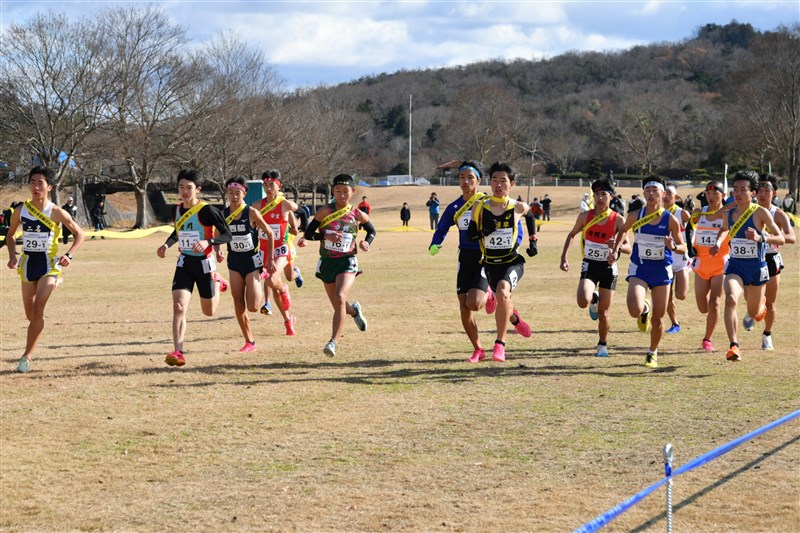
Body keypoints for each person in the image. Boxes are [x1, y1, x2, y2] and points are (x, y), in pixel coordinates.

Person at [5, 166, 84, 372]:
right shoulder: (21, 210)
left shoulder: (57, 212)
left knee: (39, 309)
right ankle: (32, 341)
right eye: (32, 182)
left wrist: (69, 254)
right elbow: (11, 236)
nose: (35, 187)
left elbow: (80, 234)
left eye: (40, 183)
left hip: (49, 265)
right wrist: (12, 255)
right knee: (31, 316)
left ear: (49, 187)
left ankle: (26, 357)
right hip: (28, 265)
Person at [156, 169, 232, 367]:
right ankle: (178, 351)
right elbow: (178, 231)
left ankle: (217, 282)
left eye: (189, 187)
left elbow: (227, 234)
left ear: (197, 189)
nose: (184, 191)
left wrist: (209, 242)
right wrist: (166, 244)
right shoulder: (178, 209)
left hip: (205, 264)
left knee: (209, 312)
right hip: (185, 262)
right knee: (179, 306)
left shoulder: (207, 210)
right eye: (181, 187)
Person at [609, 175, 686, 369]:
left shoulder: (670, 220)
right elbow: (623, 230)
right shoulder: (636, 215)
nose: (651, 194)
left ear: (663, 194)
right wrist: (616, 249)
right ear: (643, 193)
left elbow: (684, 247)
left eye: (655, 191)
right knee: (633, 309)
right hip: (640, 268)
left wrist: (674, 245)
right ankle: (644, 308)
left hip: (662, 270)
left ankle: (652, 352)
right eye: (648, 191)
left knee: (659, 318)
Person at [706, 170, 784, 362]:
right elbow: (724, 230)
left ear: (753, 193)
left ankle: (759, 309)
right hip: (735, 266)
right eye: (735, 189)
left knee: (754, 311)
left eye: (743, 189)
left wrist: (761, 237)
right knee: (731, 298)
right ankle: (734, 345)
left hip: (756, 268)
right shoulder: (729, 213)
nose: (738, 193)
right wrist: (718, 243)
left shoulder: (761, 212)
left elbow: (781, 238)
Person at [298, 173, 376, 357]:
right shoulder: (325, 211)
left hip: (347, 261)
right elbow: (308, 234)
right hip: (327, 262)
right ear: (333, 191)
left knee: (340, 297)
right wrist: (326, 236)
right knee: (338, 304)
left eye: (345, 191)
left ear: (353, 192)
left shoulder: (357, 213)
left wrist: (367, 242)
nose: (341, 194)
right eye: (338, 191)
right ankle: (354, 311)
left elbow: (372, 230)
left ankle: (333, 342)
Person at [429, 161, 497, 362]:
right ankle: (478, 349)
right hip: (464, 257)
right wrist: (435, 243)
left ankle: (489, 293)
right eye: (461, 177)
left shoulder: (487, 202)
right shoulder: (455, 206)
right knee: (464, 306)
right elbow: (442, 228)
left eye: (470, 177)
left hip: (485, 257)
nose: (465, 181)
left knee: (474, 304)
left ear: (478, 180)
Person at [467, 162, 533, 363]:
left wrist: (533, 240)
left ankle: (500, 345)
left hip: (512, 262)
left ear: (511, 184)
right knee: (504, 299)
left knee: (503, 291)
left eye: (502, 181)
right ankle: (515, 319)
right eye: (494, 180)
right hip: (490, 265)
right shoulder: (480, 207)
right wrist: (483, 232)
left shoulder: (517, 206)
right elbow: (470, 235)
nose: (497, 185)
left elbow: (529, 215)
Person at [560, 178, 630, 357]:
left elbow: (629, 248)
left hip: (609, 268)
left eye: (603, 194)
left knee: (604, 313)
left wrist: (617, 246)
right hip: (590, 265)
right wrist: (564, 258)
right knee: (582, 300)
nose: (599, 198)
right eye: (596, 194)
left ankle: (602, 344)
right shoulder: (585, 216)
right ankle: (593, 299)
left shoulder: (618, 220)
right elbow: (572, 235)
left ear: (611, 197)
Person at [215, 177, 277, 353]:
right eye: (230, 193)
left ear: (244, 193)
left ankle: (261, 275)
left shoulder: (251, 213)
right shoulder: (223, 214)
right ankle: (249, 341)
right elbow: (217, 235)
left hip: (252, 262)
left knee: (253, 307)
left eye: (237, 193)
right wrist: (218, 249)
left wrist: (270, 259)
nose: (233, 197)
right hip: (234, 262)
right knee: (238, 302)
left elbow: (270, 233)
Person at [751, 174, 795, 350]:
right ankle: (754, 311)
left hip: (770, 259)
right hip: (750, 258)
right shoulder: (748, 210)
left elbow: (791, 237)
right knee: (751, 299)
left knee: (770, 302)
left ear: (774, 193)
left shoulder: (778, 214)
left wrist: (767, 237)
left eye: (766, 191)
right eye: (759, 191)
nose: (763, 194)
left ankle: (767, 335)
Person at [688, 181, 730, 352]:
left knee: (714, 303)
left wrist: (718, 243)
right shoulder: (699, 212)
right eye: (708, 194)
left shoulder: (726, 213)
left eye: (715, 194)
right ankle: (710, 322)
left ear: (723, 195)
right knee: (702, 306)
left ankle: (707, 339)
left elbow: (726, 230)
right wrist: (689, 245)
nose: (711, 197)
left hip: (720, 264)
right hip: (701, 264)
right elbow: (688, 228)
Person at [256, 169, 298, 334]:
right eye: (265, 185)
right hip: (265, 251)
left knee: (274, 279)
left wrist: (288, 204)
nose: (268, 188)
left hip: (282, 249)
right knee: (272, 285)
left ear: (279, 186)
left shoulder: (283, 203)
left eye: (271, 185)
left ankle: (285, 288)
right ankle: (288, 320)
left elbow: (295, 208)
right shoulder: (258, 205)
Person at [663, 183, 691, 335]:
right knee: (667, 295)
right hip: (664, 260)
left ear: (676, 197)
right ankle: (675, 323)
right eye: (664, 194)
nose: (666, 197)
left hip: (680, 259)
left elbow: (693, 231)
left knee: (681, 295)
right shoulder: (657, 213)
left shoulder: (682, 214)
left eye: (670, 194)